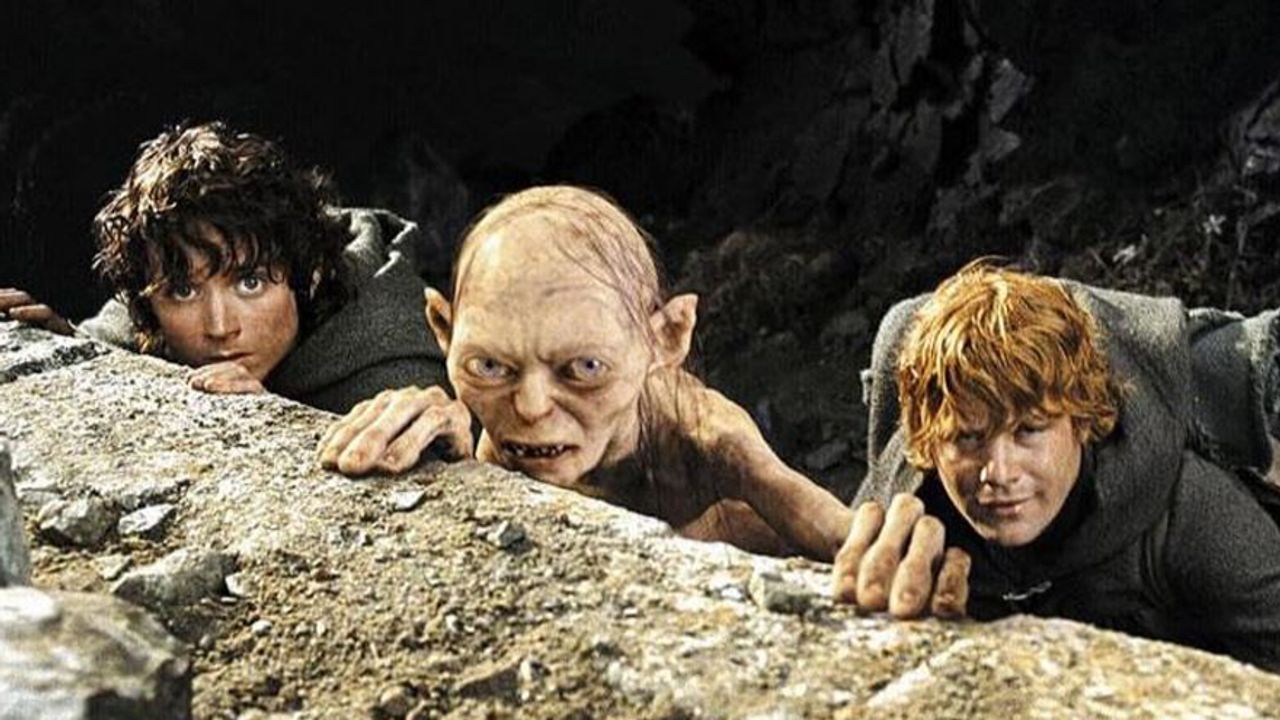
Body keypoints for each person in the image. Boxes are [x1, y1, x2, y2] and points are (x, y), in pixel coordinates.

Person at [319, 185, 856, 559]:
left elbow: (842, 540)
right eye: (490, 365)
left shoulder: (707, 443)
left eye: (584, 369)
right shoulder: (496, 421)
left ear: (667, 339)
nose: (531, 408)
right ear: (443, 329)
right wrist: (437, 441)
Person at [833, 260, 1280, 671]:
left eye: (1028, 431)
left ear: (1082, 421)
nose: (999, 472)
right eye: (968, 438)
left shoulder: (1187, 508)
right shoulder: (907, 501)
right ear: (929, 443)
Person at [0, 123, 466, 457]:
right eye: (184, 292)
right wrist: (67, 348)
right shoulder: (152, 294)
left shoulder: (386, 347)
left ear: (307, 276)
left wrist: (272, 422)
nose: (220, 327)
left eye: (250, 283)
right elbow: (111, 344)